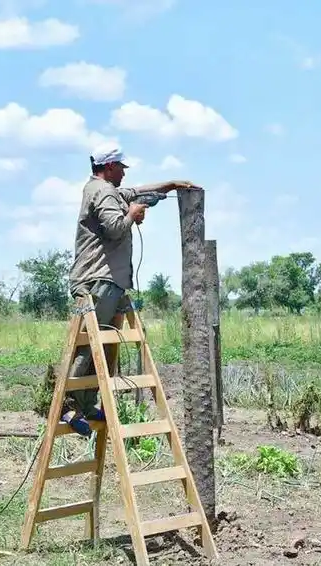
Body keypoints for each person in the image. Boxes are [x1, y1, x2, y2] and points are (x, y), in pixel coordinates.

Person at [62, 142, 201, 436]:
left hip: (110, 281)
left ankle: (87, 403)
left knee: (105, 345)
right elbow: (114, 227)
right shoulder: (100, 192)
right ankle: (68, 405)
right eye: (121, 168)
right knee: (88, 347)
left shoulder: (107, 191)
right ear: (109, 167)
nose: (124, 174)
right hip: (97, 280)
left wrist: (169, 185)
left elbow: (137, 193)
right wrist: (132, 215)